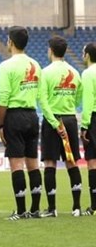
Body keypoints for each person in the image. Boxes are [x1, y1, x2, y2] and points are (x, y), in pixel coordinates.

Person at [0, 26, 43, 220]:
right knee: (33, 164)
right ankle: (35, 209)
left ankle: (21, 211)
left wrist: (0, 125)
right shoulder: (36, 64)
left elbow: (3, 99)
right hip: (32, 115)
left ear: (11, 42)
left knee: (16, 164)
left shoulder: (6, 66)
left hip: (14, 116)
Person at [38, 36, 82, 217]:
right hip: (70, 119)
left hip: (52, 121)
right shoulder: (75, 72)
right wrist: (68, 107)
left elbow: (43, 101)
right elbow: (78, 98)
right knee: (71, 162)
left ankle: (52, 208)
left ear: (50, 50)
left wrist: (55, 123)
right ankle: (77, 207)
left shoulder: (45, 72)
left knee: (50, 162)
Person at [79, 42, 96, 216]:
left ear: (88, 55)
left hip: (94, 119)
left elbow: (88, 102)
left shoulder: (88, 73)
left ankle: (94, 206)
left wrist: (84, 125)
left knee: (92, 162)